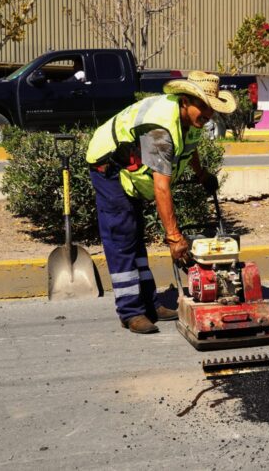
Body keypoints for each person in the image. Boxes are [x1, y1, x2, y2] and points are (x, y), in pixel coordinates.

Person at [85, 71, 235, 334]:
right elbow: (161, 186)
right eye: (203, 106)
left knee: (135, 235)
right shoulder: (160, 128)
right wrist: (174, 237)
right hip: (109, 167)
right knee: (122, 236)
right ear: (185, 101)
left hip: (130, 171)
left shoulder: (190, 122)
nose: (209, 114)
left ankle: (150, 303)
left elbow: (190, 148)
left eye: (212, 109)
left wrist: (202, 175)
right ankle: (130, 311)